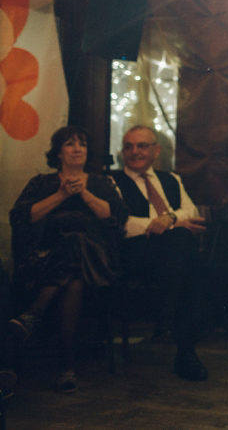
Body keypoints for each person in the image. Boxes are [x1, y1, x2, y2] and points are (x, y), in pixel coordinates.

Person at [8, 126, 127, 393]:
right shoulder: (41, 184)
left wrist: (83, 193)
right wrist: (61, 195)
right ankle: (67, 366)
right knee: (73, 279)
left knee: (76, 240)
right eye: (70, 144)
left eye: (82, 144)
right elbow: (22, 218)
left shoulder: (101, 183)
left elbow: (114, 217)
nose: (77, 149)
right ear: (58, 152)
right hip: (49, 260)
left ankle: (34, 314)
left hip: (98, 262)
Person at [111, 125, 209, 381]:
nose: (135, 152)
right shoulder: (112, 181)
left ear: (156, 151)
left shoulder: (172, 179)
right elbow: (122, 223)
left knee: (182, 250)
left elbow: (190, 211)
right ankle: (186, 353)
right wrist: (161, 226)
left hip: (171, 259)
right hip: (135, 254)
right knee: (185, 248)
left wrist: (171, 218)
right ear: (122, 152)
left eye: (142, 145)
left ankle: (167, 322)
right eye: (129, 146)